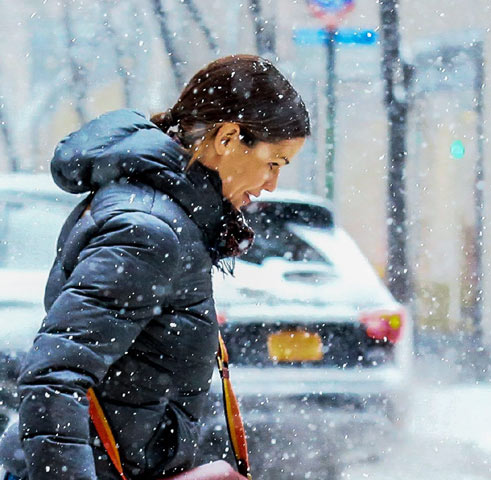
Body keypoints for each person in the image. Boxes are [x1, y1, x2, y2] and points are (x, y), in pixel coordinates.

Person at [0, 54, 310, 480]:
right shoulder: (147, 231)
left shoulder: (167, 217)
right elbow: (53, 380)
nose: (272, 183)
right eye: (274, 162)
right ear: (228, 138)